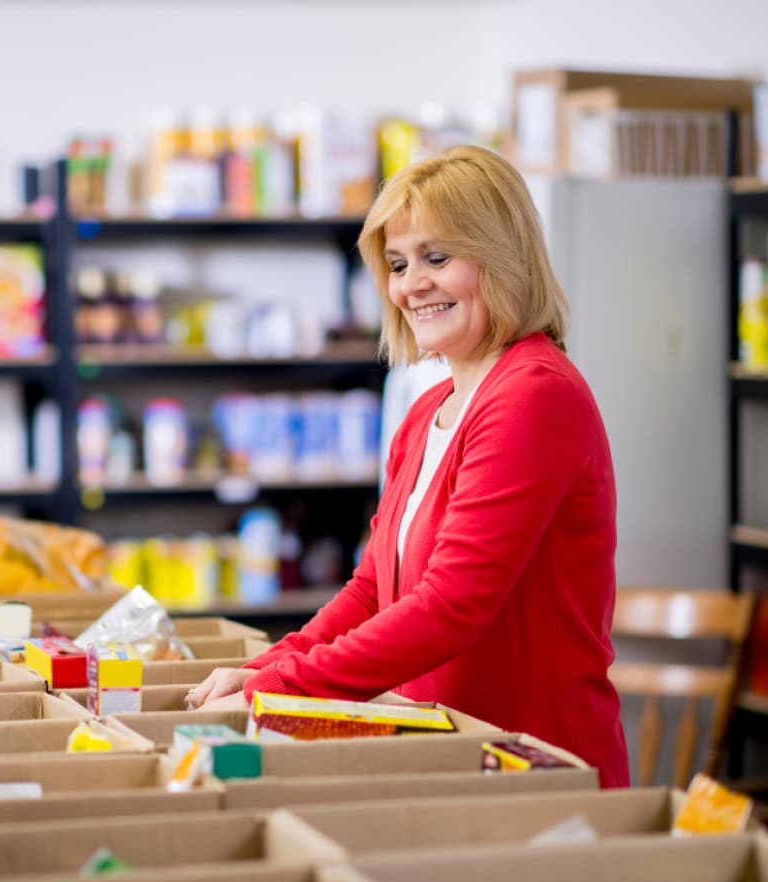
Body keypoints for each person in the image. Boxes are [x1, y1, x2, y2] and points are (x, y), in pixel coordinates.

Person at [187, 144, 629, 788]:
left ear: (502, 257)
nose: (411, 284)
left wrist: (278, 686)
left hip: (535, 766)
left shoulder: (534, 395)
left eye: (438, 258)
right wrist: (270, 664)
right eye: (397, 264)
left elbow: (450, 604)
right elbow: (373, 591)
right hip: (450, 755)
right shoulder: (428, 413)